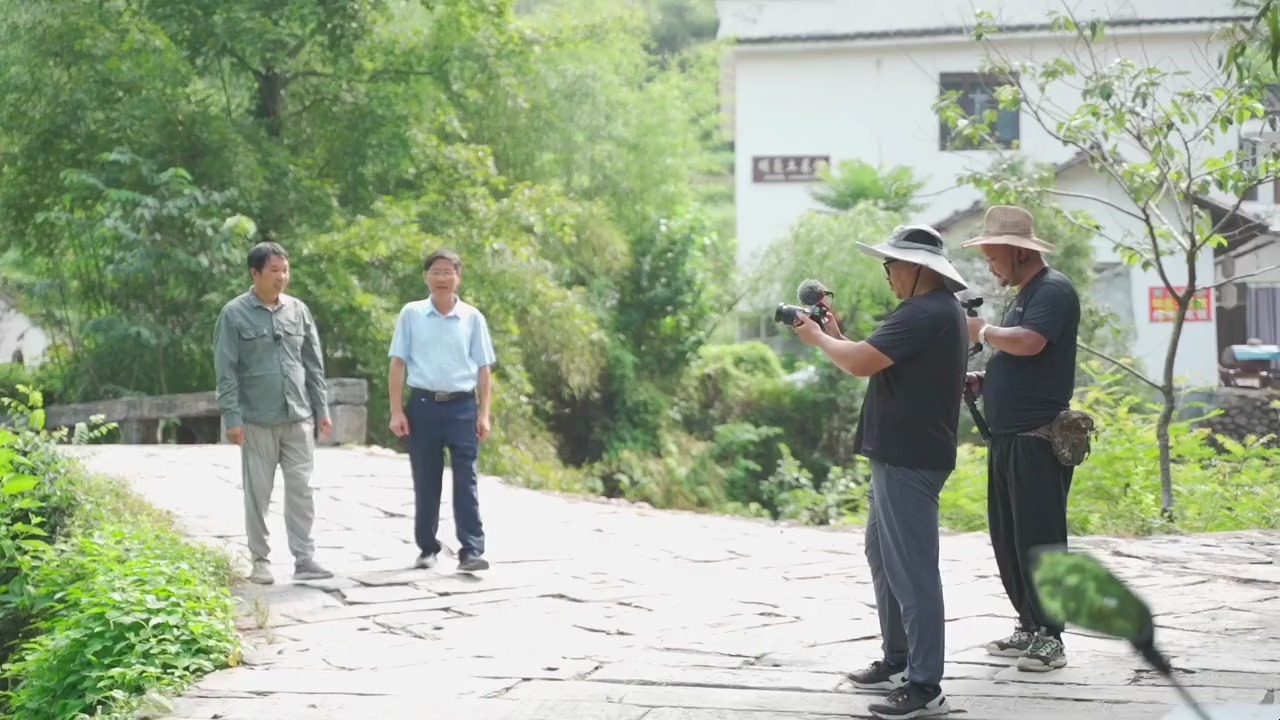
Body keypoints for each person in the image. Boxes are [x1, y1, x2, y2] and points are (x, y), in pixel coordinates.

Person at [793, 225, 968, 719]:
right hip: (902, 454)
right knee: (884, 556)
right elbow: (870, 355)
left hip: (910, 458)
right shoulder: (934, 312)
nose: (888, 273)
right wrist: (833, 337)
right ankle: (899, 659)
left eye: (891, 265)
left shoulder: (923, 312)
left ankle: (925, 685)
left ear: (917, 269)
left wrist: (816, 339)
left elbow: (861, 363)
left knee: (912, 569)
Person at [961, 205, 1082, 672]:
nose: (991, 265)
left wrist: (984, 330)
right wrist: (984, 381)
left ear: (1016, 252)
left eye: (993, 256)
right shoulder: (1025, 293)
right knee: (1009, 537)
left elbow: (1030, 343)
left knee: (1041, 539)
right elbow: (1021, 361)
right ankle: (1029, 623)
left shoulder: (1052, 290)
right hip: (1008, 436)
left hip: (1037, 438)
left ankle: (1052, 636)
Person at [214, 241, 335, 585]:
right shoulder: (234, 314)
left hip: (298, 417)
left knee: (302, 488)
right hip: (257, 420)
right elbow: (226, 371)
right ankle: (260, 559)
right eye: (274, 271)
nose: (282, 277)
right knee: (258, 493)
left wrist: (321, 409)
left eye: (285, 270)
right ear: (255, 273)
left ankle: (305, 557)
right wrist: (232, 419)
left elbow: (314, 365)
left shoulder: (298, 310)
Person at [388, 249, 496, 573]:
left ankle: (472, 550)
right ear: (426, 277)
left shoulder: (472, 318)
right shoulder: (411, 314)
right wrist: (396, 411)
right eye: (435, 271)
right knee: (426, 478)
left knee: (467, 478)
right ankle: (427, 547)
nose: (442, 278)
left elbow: (484, 370)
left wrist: (484, 414)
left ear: (458, 277)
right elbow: (397, 363)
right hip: (422, 405)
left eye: (448, 271)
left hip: (463, 406)